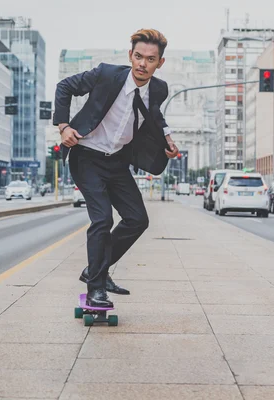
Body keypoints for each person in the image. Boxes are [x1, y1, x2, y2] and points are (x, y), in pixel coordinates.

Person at [53, 29, 179, 308]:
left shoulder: (159, 88)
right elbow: (64, 87)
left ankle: (95, 270)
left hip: (118, 161)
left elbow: (154, 114)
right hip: (86, 156)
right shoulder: (106, 74)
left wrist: (167, 138)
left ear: (160, 63)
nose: (142, 64)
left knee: (137, 219)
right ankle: (97, 288)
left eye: (150, 59)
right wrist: (64, 127)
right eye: (138, 56)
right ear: (129, 55)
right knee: (102, 220)